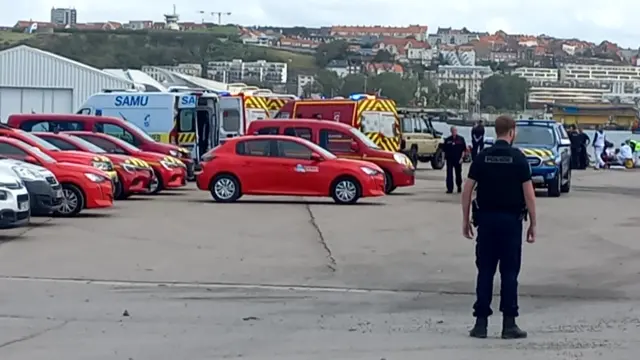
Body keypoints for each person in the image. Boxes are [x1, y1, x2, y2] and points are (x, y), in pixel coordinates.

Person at [461, 115, 536, 340]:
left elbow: (467, 190)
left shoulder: (483, 158)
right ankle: (509, 324)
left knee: (485, 271)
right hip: (511, 223)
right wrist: (533, 223)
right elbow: (529, 195)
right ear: (512, 132)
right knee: (510, 273)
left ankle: (481, 324)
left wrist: (465, 220)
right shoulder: (519, 158)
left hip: (486, 222)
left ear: (496, 131)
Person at [443, 126, 467, 193]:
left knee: (458, 174)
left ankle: (459, 186)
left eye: (455, 130)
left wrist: (462, 158)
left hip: (458, 159)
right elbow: (444, 150)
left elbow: (464, 150)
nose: (454, 132)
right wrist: (444, 158)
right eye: (453, 131)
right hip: (450, 159)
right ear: (451, 131)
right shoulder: (447, 140)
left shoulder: (461, 139)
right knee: (449, 174)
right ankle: (450, 188)